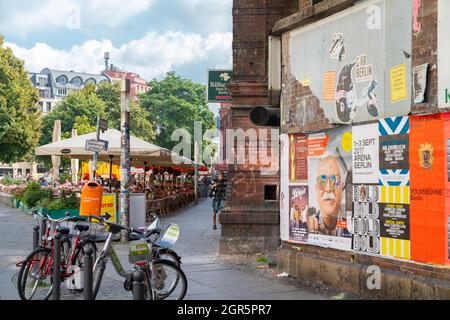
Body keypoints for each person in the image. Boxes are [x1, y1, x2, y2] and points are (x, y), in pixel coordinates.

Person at [309, 154, 349, 237]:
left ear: (342, 188)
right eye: (321, 181)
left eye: (335, 180)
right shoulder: (307, 227)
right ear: (316, 189)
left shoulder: (351, 227)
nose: (328, 189)